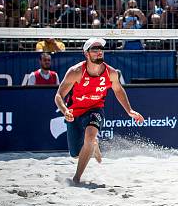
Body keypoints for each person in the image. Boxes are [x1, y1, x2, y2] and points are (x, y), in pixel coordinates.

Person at [54, 38, 145, 184]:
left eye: (100, 49)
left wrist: (129, 110)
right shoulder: (76, 72)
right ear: (86, 54)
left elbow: (118, 91)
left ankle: (77, 177)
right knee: (76, 154)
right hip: (75, 113)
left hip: (95, 109)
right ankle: (94, 145)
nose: (99, 52)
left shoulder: (111, 73)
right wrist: (65, 110)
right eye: (94, 49)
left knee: (89, 136)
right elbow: (59, 96)